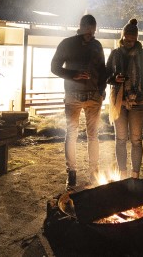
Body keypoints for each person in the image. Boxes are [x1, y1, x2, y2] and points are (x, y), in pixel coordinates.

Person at [51, 14, 107, 191]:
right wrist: (72, 74)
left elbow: (103, 70)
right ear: (81, 27)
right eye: (88, 30)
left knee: (93, 135)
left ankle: (94, 171)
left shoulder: (97, 45)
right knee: (72, 133)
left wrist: (102, 90)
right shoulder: (67, 43)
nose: (91, 34)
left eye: (93, 31)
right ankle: (72, 172)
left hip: (94, 97)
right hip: (73, 95)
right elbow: (54, 67)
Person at [105, 18, 143, 179]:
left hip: (138, 103)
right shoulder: (115, 54)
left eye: (133, 40)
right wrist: (114, 79)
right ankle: (122, 174)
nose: (129, 43)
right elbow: (105, 75)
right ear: (122, 37)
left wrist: (141, 94)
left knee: (136, 139)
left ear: (136, 39)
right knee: (120, 139)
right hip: (119, 101)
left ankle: (135, 176)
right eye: (127, 39)